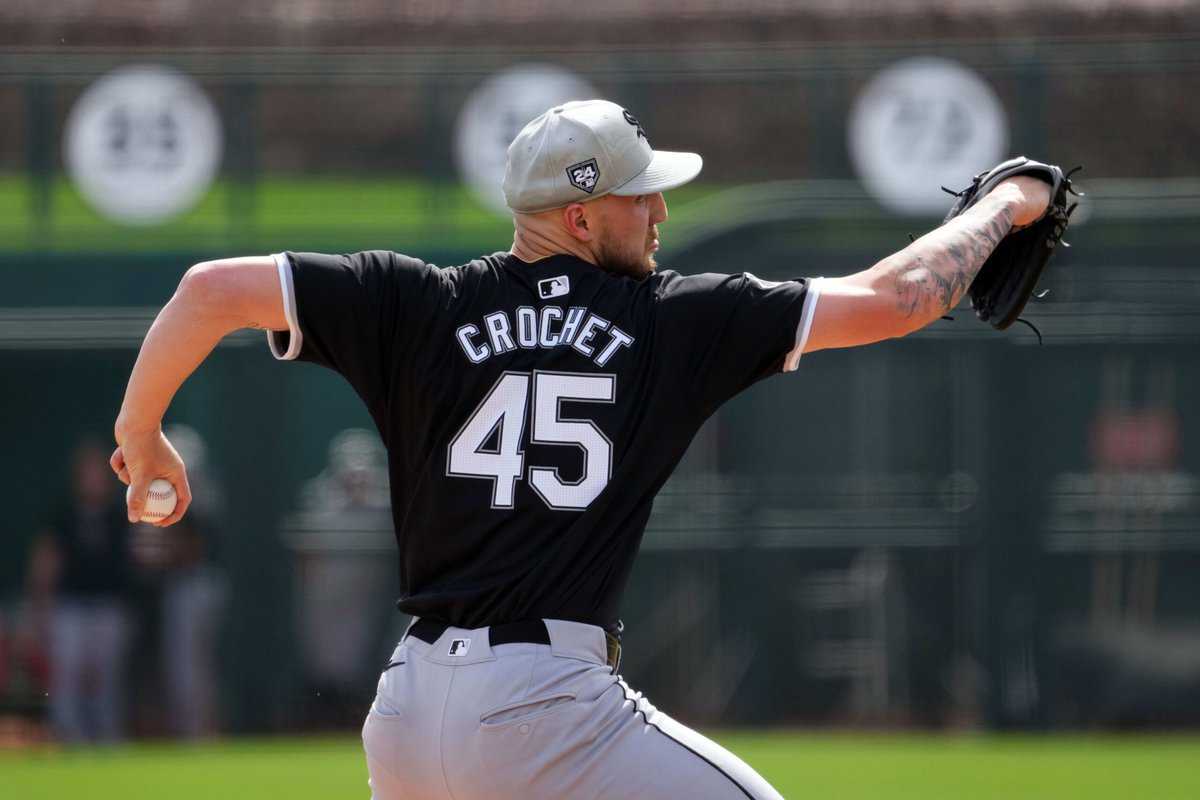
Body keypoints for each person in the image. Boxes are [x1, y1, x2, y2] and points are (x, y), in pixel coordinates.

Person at [110, 100, 1049, 798]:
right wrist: (1008, 203)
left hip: (406, 713)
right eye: (643, 197)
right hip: (545, 704)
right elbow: (900, 300)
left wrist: (141, 435)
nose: (662, 216)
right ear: (581, 216)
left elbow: (208, 290)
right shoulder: (669, 319)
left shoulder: (412, 301)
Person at [45, 440, 136, 743]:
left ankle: (107, 737)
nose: (93, 479)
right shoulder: (64, 513)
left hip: (109, 606)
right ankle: (68, 736)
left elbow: (137, 561)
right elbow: (47, 558)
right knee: (68, 672)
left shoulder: (121, 514)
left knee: (106, 676)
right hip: (70, 604)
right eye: (88, 473)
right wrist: (39, 604)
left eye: (98, 472)